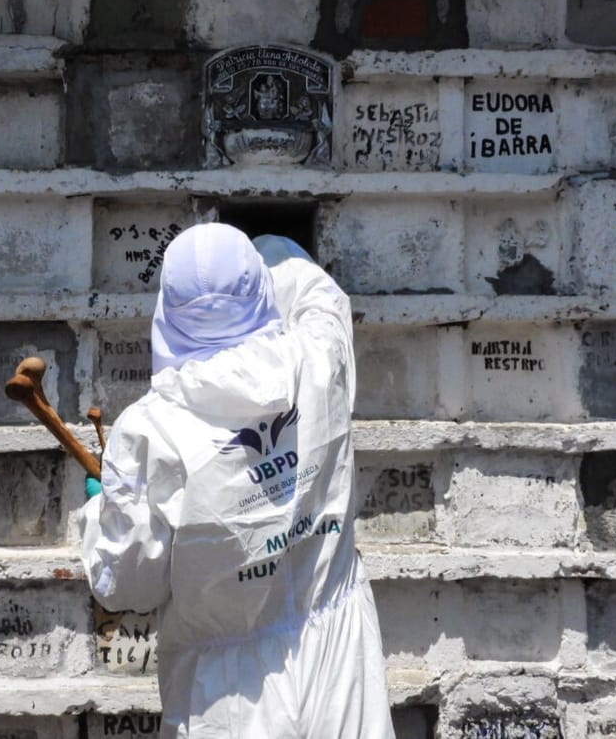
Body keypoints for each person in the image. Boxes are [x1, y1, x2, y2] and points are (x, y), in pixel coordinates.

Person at [79, 222, 395, 738]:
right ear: (262, 290)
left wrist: (105, 514)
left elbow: (125, 586)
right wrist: (258, 252)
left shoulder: (152, 430)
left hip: (227, 698)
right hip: (340, 664)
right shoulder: (317, 359)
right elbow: (316, 291)